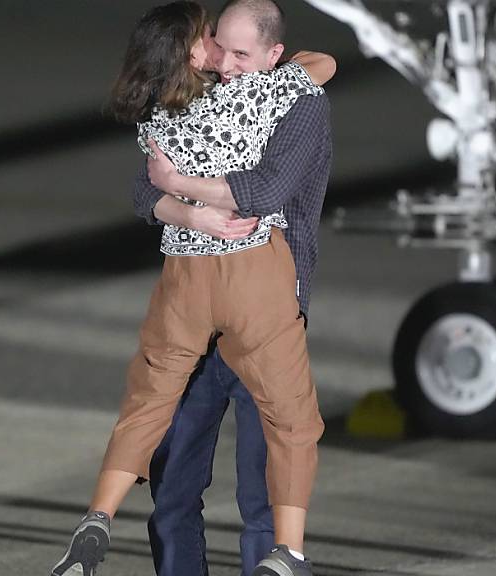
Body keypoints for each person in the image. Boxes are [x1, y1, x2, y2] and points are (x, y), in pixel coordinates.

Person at [50, 3, 334, 576]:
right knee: (246, 458)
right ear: (191, 56)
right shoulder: (261, 93)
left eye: (238, 53)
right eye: (214, 44)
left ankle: (98, 515)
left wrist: (177, 194)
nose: (225, 62)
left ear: (271, 55)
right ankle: (290, 555)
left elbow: (154, 183)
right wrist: (190, 209)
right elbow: (259, 184)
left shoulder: (173, 108)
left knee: (152, 412)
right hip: (255, 295)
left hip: (191, 293)